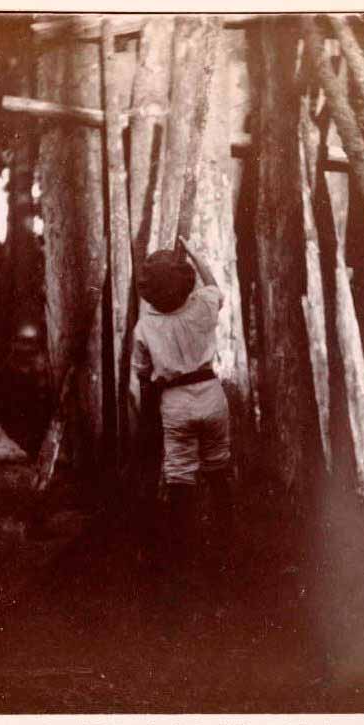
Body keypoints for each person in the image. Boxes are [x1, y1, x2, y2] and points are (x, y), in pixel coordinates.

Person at [131, 237, 233, 597]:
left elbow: (143, 373)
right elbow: (214, 287)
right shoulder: (203, 308)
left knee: (180, 475)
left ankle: (180, 553)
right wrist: (193, 251)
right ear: (185, 281)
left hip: (174, 403)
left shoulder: (145, 328)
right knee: (218, 466)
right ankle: (229, 540)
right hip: (211, 394)